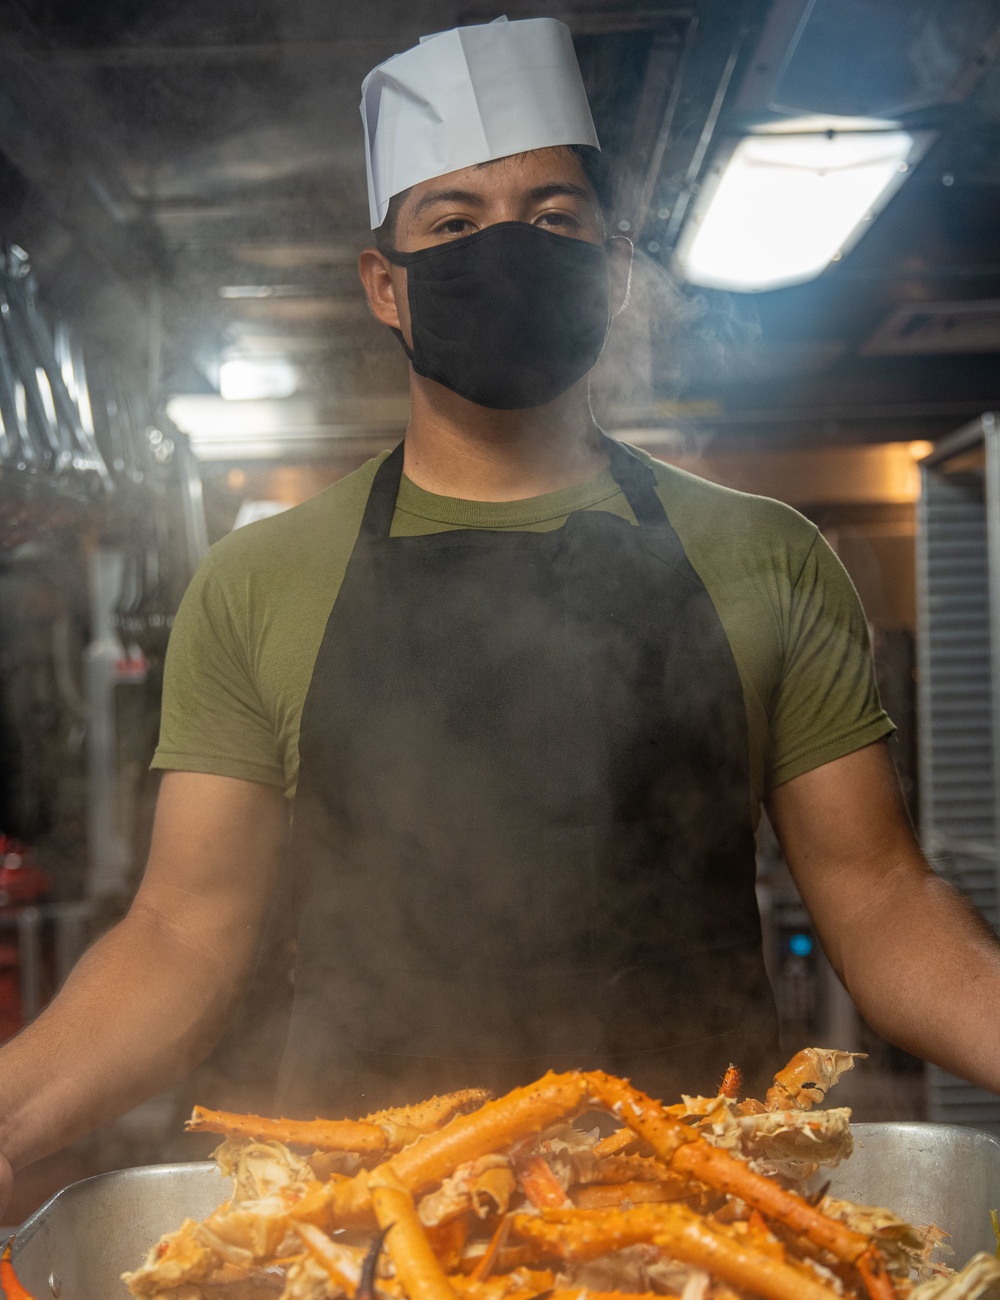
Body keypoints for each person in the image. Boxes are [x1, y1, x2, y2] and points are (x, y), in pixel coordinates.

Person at [0, 16, 998, 1216]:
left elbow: (882, 902)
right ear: (386, 284)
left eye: (552, 217)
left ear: (612, 264)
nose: (506, 250)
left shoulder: (762, 556)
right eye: (453, 225)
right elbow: (178, 935)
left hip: (699, 1216)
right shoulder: (260, 581)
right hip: (360, 1225)